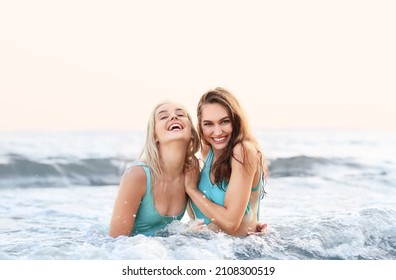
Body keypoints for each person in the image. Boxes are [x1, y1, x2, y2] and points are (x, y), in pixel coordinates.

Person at [109, 101, 200, 237]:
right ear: (155, 136)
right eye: (163, 117)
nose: (174, 117)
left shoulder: (192, 171)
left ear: (192, 132)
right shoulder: (137, 175)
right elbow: (115, 242)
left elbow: (195, 220)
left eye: (180, 114)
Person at [185, 87, 267, 236]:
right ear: (200, 126)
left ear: (236, 121)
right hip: (208, 251)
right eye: (208, 124)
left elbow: (230, 224)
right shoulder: (207, 151)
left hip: (241, 253)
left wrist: (191, 190)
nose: (217, 132)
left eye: (224, 122)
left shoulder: (243, 151)